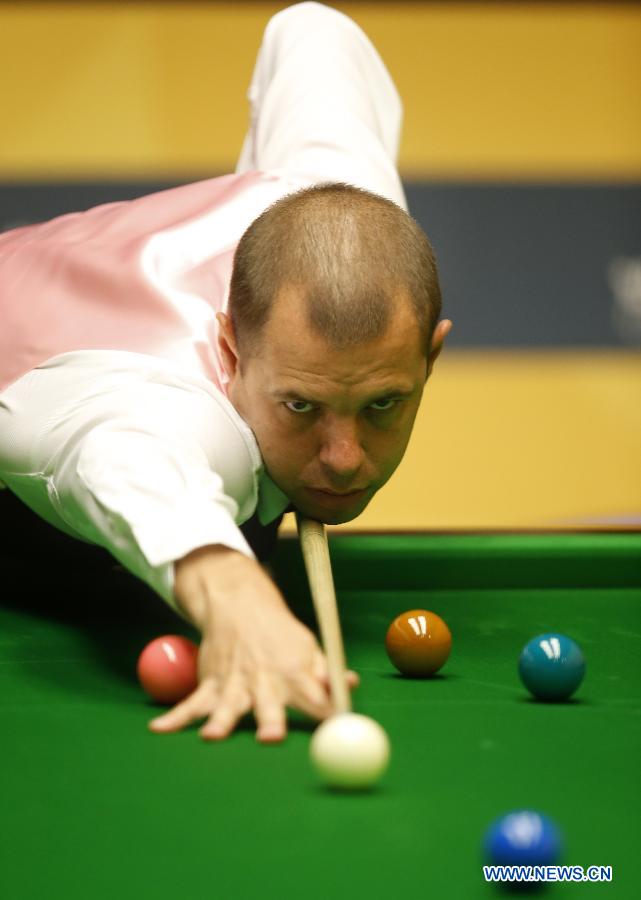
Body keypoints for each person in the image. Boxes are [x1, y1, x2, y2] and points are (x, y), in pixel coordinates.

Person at [0, 2, 452, 743]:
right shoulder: (163, 408)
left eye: (381, 405)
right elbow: (126, 462)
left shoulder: (338, 191)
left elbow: (312, 29)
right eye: (302, 408)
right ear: (229, 351)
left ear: (430, 354)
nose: (343, 460)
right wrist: (235, 592)